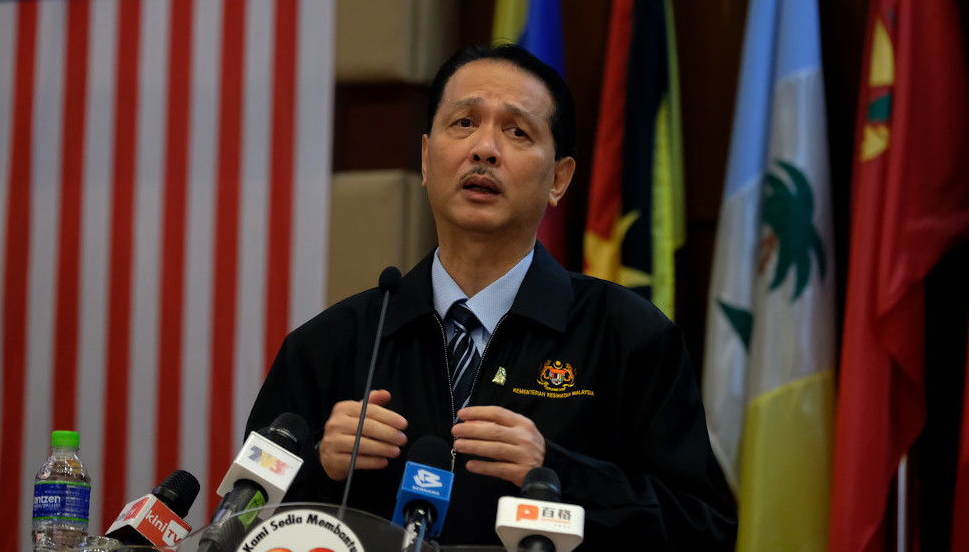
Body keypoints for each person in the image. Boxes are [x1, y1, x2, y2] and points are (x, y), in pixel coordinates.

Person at [245, 44, 737, 549]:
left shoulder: (628, 337)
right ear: (425, 157)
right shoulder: (331, 345)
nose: (484, 149)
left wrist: (558, 473)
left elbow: (705, 529)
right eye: (463, 123)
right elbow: (241, 523)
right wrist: (324, 468)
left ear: (559, 179)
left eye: (517, 131)